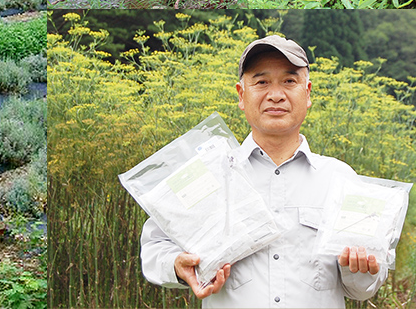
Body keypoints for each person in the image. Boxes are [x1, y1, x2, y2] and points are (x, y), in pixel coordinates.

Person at [140, 35, 388, 308]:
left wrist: (359, 270)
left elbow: (363, 290)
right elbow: (154, 248)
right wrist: (176, 265)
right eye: (261, 82)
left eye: (289, 81)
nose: (276, 94)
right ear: (241, 95)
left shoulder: (340, 177)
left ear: (308, 93)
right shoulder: (210, 172)